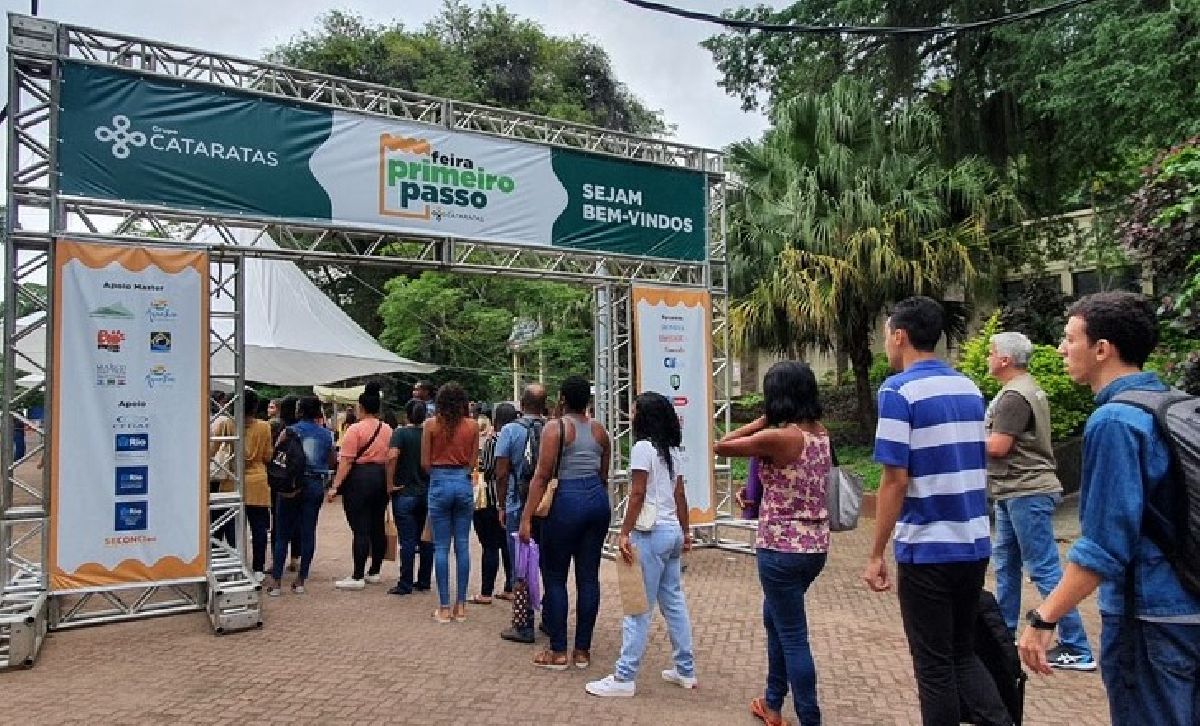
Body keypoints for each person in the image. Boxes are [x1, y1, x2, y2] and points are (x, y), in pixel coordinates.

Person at [1018, 292, 1200, 725]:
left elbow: (1103, 546)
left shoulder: (1115, 421)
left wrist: (1044, 618)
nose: (1061, 349)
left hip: (1151, 620)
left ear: (1102, 349)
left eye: (1069, 338)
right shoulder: (1175, 404)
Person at [863, 296, 1010, 726]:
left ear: (900, 336)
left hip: (927, 548)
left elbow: (894, 479)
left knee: (934, 666)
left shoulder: (897, 391)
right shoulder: (968, 387)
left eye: (888, 335)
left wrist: (875, 554)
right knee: (962, 653)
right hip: (973, 543)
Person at [716, 362, 832, 725]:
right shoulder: (820, 434)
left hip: (780, 547)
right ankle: (772, 700)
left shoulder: (780, 437)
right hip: (814, 547)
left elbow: (722, 445)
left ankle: (810, 717)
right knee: (776, 618)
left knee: (794, 634)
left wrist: (764, 419)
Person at [985, 331, 1095, 670]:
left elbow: (997, 447)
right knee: (1006, 564)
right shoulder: (1024, 388)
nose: (988, 357)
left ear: (1005, 359)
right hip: (1014, 490)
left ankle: (1076, 647)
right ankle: (1001, 636)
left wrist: (962, 434)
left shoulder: (1014, 396)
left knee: (1043, 567)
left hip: (1025, 490)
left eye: (991, 352)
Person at [586, 391, 695, 697]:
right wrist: (686, 533)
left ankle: (624, 677)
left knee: (637, 607)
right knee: (673, 603)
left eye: (633, 410)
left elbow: (637, 493)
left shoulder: (642, 449)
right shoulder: (673, 451)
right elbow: (680, 496)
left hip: (650, 533)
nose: (630, 415)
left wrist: (623, 531)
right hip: (672, 531)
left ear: (643, 416)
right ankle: (685, 670)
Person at [520, 375, 611, 670]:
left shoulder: (555, 428)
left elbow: (541, 476)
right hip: (596, 501)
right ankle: (582, 650)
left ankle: (558, 650)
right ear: (588, 400)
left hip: (566, 501)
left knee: (555, 575)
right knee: (588, 576)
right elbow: (603, 474)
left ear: (562, 398)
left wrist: (526, 518)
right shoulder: (600, 431)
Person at [327, 382, 392, 590]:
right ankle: (374, 571)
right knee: (377, 525)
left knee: (361, 529)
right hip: (381, 477)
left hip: (360, 479)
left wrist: (335, 486)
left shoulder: (354, 429)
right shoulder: (387, 429)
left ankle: (357, 575)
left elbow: (345, 461)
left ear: (361, 408)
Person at [496, 383, 549, 643]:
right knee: (549, 563)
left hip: (518, 504)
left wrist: (503, 505)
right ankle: (550, 618)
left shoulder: (510, 430)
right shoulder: (553, 429)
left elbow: (502, 472)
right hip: (547, 506)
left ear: (522, 404)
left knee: (522, 563)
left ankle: (523, 623)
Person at [423, 382, 479, 623]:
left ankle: (444, 607)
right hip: (463, 481)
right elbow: (474, 461)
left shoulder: (431, 425)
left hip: (438, 481)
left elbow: (425, 462)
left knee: (441, 547)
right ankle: (462, 605)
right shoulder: (473, 426)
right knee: (463, 546)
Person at [266, 396, 333, 596]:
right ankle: (301, 581)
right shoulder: (326, 434)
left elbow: (277, 454)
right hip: (314, 485)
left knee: (283, 534)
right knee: (308, 531)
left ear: (300, 411)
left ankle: (277, 582)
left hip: (291, 484)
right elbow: (332, 461)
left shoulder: (290, 431)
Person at [385, 398, 434, 595]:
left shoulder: (400, 433)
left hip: (404, 492)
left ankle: (405, 583)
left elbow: (392, 457)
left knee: (407, 540)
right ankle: (423, 580)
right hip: (427, 492)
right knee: (426, 539)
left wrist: (390, 484)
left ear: (406, 415)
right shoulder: (429, 434)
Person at [470, 403, 517, 605]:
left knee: (489, 546)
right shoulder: (518, 438)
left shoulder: (493, 441)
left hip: (489, 498)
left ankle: (486, 592)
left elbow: (489, 469)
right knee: (506, 545)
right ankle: (510, 587)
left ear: (496, 420)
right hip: (510, 499)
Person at [235, 388, 273, 583]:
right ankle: (258, 568)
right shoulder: (265, 427)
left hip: (233, 481)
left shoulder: (228, 425)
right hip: (258, 480)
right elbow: (268, 455)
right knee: (258, 528)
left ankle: (234, 564)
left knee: (232, 527)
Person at [270, 395, 302, 574]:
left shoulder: (277, 428)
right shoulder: (300, 430)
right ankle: (295, 558)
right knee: (297, 520)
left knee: (278, 520)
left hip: (278, 480)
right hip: (297, 481)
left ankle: (277, 562)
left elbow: (271, 452)